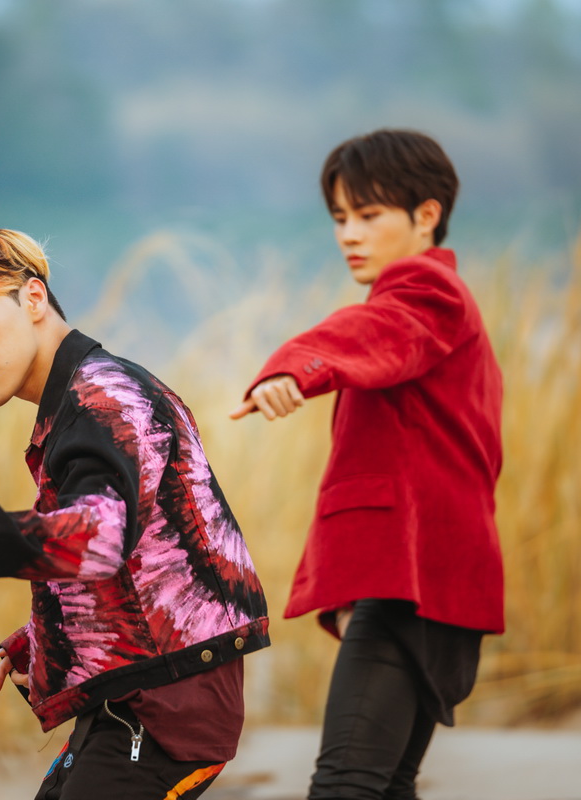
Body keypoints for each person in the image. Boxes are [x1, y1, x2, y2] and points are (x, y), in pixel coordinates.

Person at [0, 228, 270, 800]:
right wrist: (50, 636)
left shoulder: (105, 399)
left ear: (34, 298)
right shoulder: (75, 402)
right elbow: (148, 555)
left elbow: (100, 536)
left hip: (164, 707)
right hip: (134, 695)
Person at [230, 129, 505, 800]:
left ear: (427, 215)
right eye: (339, 217)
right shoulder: (440, 307)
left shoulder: (428, 291)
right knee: (384, 787)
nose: (349, 234)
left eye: (369, 214)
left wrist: (294, 368)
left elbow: (371, 334)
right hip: (432, 583)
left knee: (346, 786)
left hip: (410, 581)